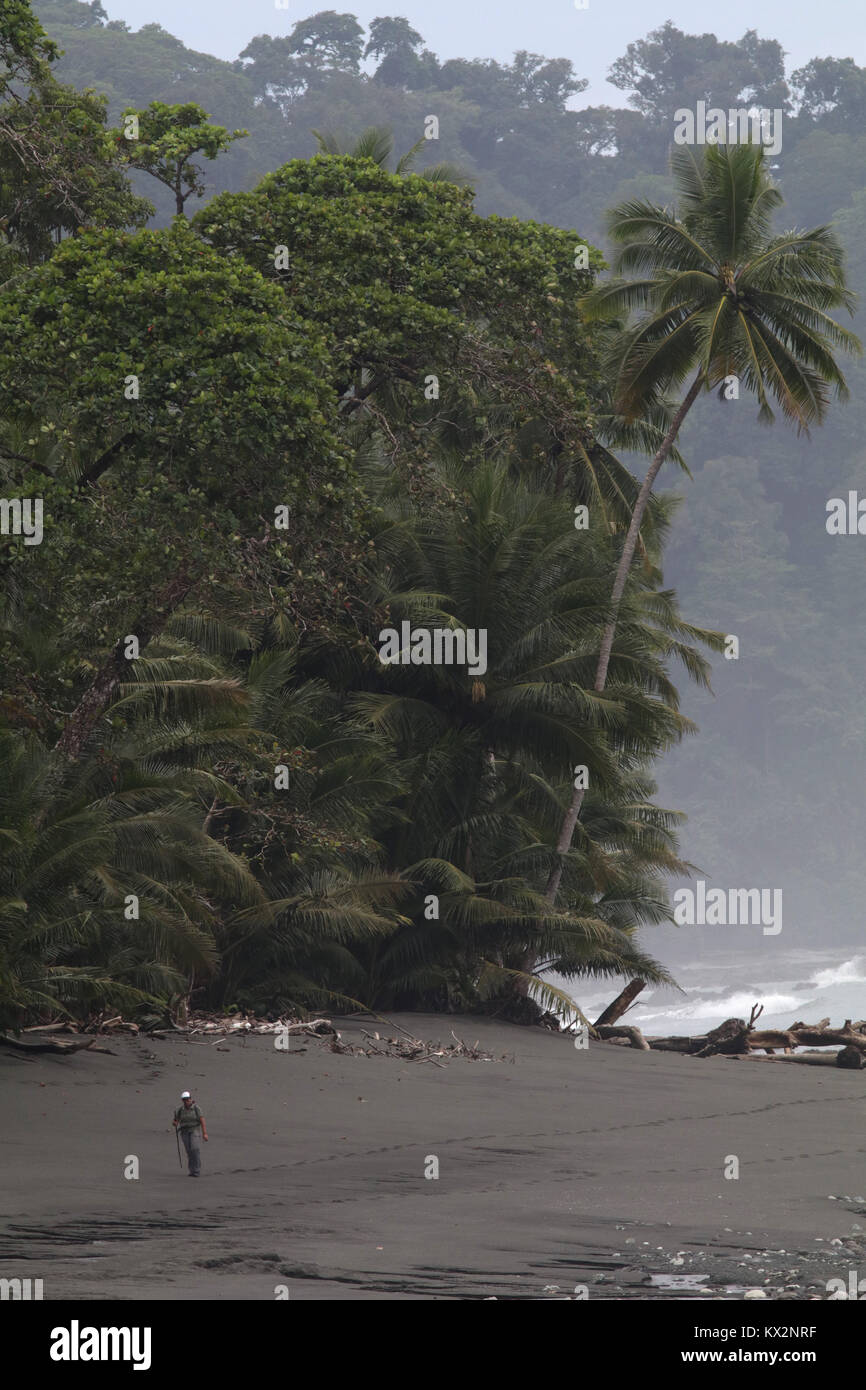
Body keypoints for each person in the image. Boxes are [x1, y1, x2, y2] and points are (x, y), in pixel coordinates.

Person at [173, 1090, 208, 1176]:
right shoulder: (180, 1110)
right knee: (189, 1151)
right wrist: (175, 1123)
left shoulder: (196, 1108)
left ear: (191, 1099)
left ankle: (196, 1170)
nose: (186, 1101)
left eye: (188, 1099)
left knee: (195, 1149)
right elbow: (176, 1120)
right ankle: (192, 1170)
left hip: (194, 1130)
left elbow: (202, 1121)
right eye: (184, 1099)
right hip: (184, 1131)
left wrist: (204, 1133)